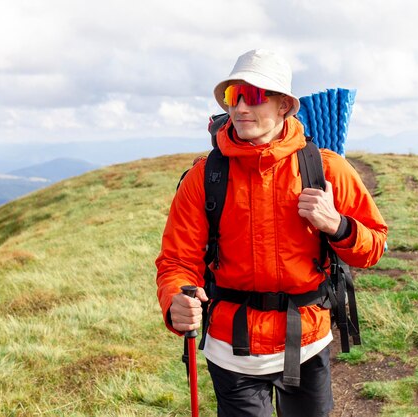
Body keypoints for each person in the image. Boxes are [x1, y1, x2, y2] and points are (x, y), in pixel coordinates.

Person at [156, 49, 388, 417]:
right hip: (232, 352)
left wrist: (337, 225)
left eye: (256, 95)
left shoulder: (327, 168)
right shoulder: (205, 177)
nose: (242, 107)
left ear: (284, 106)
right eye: (234, 96)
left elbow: (374, 246)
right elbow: (177, 261)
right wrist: (174, 301)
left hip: (308, 343)